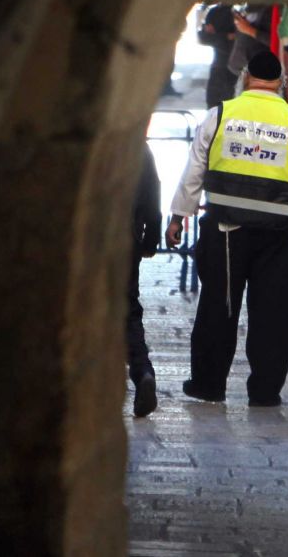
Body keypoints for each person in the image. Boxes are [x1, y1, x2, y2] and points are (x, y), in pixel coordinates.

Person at [165, 51, 288, 406]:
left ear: (246, 77)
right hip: (278, 235)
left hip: (224, 231)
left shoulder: (219, 115)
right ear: (281, 83)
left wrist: (178, 216)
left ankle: (209, 385)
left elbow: (194, 172)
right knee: (273, 313)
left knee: (217, 309)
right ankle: (265, 391)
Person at [128, 145, 161, 417]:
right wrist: (150, 241)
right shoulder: (136, 146)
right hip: (125, 242)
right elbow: (152, 199)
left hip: (81, 242)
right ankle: (143, 373)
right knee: (128, 313)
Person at [198, 0, 239, 108]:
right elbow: (204, 37)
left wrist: (218, 36)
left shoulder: (240, 10)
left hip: (238, 66)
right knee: (214, 106)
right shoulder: (214, 12)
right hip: (219, 65)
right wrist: (227, 37)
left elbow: (239, 38)